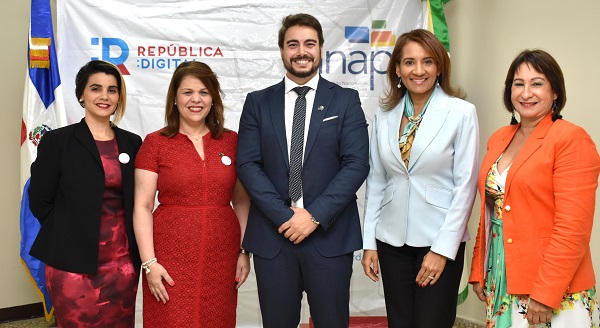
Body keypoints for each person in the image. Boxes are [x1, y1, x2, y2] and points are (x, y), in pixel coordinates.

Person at [236, 13, 370, 328]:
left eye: (309, 43)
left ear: (322, 49)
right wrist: (286, 216)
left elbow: (356, 164)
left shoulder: (346, 101)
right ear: (282, 50)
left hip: (330, 237)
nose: (301, 51)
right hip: (274, 238)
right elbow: (248, 164)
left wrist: (313, 216)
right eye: (292, 44)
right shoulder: (257, 102)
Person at [469, 49, 600, 327]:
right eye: (519, 83)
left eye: (537, 83)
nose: (526, 92)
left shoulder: (570, 139)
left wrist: (545, 293)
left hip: (552, 286)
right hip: (501, 275)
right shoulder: (500, 137)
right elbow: (488, 211)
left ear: (555, 92)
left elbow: (573, 229)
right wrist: (479, 268)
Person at [361, 29, 479, 328]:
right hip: (391, 241)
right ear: (397, 69)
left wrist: (441, 250)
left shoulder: (461, 113)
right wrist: (370, 243)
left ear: (439, 67)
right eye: (409, 62)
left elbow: (465, 187)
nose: (418, 70)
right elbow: (376, 181)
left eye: (427, 62)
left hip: (438, 239)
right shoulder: (384, 116)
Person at [133, 61, 250, 327]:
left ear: (213, 99)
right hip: (168, 258)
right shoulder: (155, 142)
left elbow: (242, 200)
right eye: (187, 92)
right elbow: (142, 205)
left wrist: (244, 251)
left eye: (204, 92)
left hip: (222, 257)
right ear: (174, 98)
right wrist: (149, 263)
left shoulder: (232, 141)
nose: (195, 99)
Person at [28, 60, 141, 327]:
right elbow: (40, 199)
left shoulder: (132, 143)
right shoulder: (58, 142)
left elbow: (138, 200)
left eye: (112, 90)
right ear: (82, 94)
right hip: (71, 263)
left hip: (122, 264)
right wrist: (67, 232)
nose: (104, 96)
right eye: (96, 88)